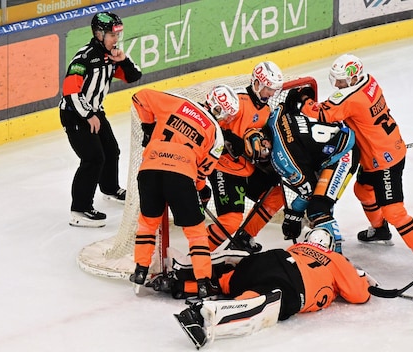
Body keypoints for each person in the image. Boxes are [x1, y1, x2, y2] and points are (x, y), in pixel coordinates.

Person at [289, 53, 413, 274]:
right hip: (383, 151)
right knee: (364, 190)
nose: (337, 85)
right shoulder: (370, 81)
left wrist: (303, 101)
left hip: (383, 161)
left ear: (352, 79)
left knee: (393, 210)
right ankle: (380, 230)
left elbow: (323, 114)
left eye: (341, 81)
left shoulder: (352, 98)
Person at [172, 228, 373, 349]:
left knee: (230, 282)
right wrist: (362, 277)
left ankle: (182, 283)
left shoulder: (297, 247)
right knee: (258, 299)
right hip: (293, 281)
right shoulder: (335, 258)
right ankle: (199, 316)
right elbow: (358, 295)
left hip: (270, 258)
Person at [129, 85, 240, 298]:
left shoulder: (179, 103)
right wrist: (201, 191)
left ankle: (140, 271)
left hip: (149, 170)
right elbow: (202, 173)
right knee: (196, 233)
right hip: (180, 176)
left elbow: (139, 97)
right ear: (225, 115)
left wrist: (148, 126)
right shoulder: (216, 135)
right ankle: (203, 282)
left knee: (147, 223)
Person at [59, 12, 142, 228]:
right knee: (93, 159)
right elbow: (70, 92)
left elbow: (134, 76)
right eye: (112, 35)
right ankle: (80, 209)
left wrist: (123, 61)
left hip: (95, 111)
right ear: (98, 34)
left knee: (112, 151)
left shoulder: (111, 56)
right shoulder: (84, 58)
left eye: (118, 34)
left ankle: (110, 189)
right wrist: (88, 115)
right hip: (75, 113)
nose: (116, 39)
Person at [205, 61, 286, 253]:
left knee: (277, 196)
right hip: (222, 167)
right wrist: (228, 139)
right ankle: (196, 255)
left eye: (274, 90)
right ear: (257, 83)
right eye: (268, 88)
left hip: (247, 167)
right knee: (230, 221)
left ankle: (245, 237)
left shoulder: (266, 110)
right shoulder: (237, 100)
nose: (272, 94)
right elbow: (207, 124)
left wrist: (268, 163)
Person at [258, 102, 357, 254]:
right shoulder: (275, 116)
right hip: (339, 136)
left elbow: (308, 190)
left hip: (343, 154)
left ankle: (336, 257)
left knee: (317, 208)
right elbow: (291, 99)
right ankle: (325, 229)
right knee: (321, 197)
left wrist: (294, 216)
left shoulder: (281, 158)